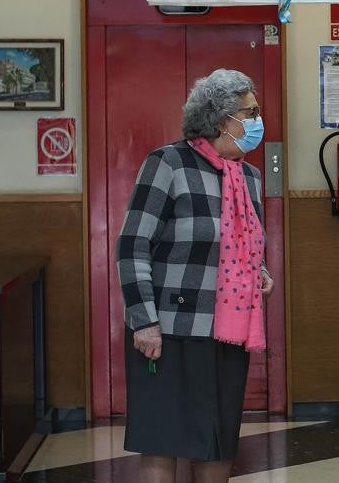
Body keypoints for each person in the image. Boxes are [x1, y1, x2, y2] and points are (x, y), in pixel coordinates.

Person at [117, 68, 275, 483]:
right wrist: (144, 321)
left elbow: (246, 246)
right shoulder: (168, 163)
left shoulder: (250, 178)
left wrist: (261, 274)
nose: (258, 120)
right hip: (170, 329)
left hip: (228, 331)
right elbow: (132, 244)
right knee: (164, 440)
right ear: (223, 118)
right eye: (251, 111)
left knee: (219, 440)